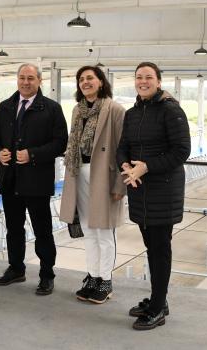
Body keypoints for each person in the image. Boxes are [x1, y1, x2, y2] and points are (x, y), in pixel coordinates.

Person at [117, 62, 191, 330]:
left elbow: (182, 150)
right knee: (151, 247)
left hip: (163, 189)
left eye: (149, 77)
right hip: (139, 188)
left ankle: (158, 308)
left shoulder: (171, 111)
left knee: (160, 249)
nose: (143, 81)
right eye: (139, 77)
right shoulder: (132, 113)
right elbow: (122, 146)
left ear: (159, 82)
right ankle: (159, 299)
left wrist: (146, 166)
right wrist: (125, 165)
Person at [0, 63, 67, 295]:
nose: (26, 82)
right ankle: (16, 269)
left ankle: (47, 275)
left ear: (40, 81)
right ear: (17, 79)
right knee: (13, 229)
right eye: (22, 77)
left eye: (31, 78)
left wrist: (33, 154)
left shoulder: (52, 109)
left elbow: (60, 143)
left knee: (42, 230)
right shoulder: (4, 107)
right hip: (10, 179)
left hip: (37, 181)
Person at [59, 66, 126, 304]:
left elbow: (122, 149)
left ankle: (106, 280)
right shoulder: (77, 110)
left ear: (100, 82)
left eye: (90, 78)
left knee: (104, 231)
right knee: (88, 229)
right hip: (79, 172)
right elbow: (72, 143)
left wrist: (120, 184)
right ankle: (93, 275)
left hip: (103, 176)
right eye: (81, 79)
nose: (85, 82)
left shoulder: (115, 110)